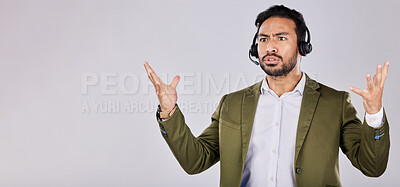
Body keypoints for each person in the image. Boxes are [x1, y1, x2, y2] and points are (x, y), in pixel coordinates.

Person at [143, 5, 390, 187]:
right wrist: (169, 112)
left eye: (281, 38)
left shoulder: (334, 104)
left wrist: (374, 113)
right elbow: (195, 161)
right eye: (263, 39)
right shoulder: (232, 104)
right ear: (255, 48)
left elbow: (372, 166)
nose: (270, 46)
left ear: (303, 48)